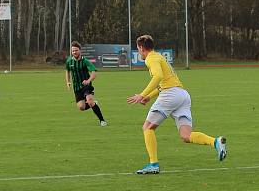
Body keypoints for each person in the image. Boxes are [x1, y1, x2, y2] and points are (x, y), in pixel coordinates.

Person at [127, 34, 226, 175]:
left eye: (138, 49)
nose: (138, 52)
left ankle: (153, 164)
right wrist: (149, 97)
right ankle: (215, 142)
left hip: (170, 95)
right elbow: (164, 82)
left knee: (147, 127)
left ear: (142, 48)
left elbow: (158, 77)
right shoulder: (159, 57)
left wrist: (142, 94)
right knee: (186, 136)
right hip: (182, 95)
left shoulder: (150, 58)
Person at [65, 41, 107, 126]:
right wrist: (68, 81)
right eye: (73, 51)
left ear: (80, 50)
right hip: (77, 87)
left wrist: (88, 81)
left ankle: (102, 121)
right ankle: (94, 104)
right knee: (81, 107)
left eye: (76, 50)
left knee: (90, 101)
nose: (74, 52)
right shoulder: (69, 61)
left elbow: (94, 73)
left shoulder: (85, 61)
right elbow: (67, 71)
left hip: (86, 86)